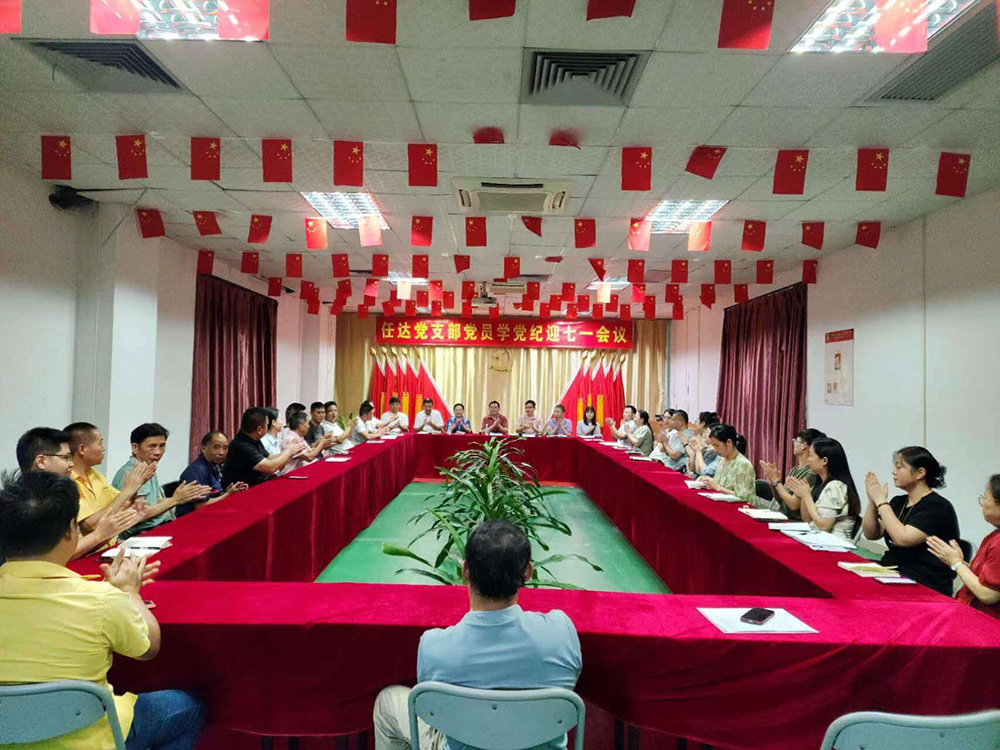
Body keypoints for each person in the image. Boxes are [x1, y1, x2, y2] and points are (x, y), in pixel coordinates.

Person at [0, 471, 205, 750]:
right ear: (70, 531)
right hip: (85, 739)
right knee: (191, 707)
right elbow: (148, 648)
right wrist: (129, 593)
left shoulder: (99, 597)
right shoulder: (100, 599)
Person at [373, 520, 581, 750]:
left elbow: (435, 712)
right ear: (528, 572)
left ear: (465, 571)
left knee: (387, 702)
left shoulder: (433, 647)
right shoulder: (561, 633)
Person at [862, 446, 960, 595]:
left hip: (923, 581)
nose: (893, 472)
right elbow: (871, 534)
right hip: (892, 571)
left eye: (899, 467)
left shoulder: (937, 506)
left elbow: (903, 538)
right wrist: (873, 502)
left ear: (920, 473)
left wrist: (881, 501)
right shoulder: (898, 502)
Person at [63, 423, 154, 558]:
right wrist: (128, 491)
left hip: (111, 546)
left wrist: (135, 489)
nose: (103, 448)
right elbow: (89, 526)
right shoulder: (67, 482)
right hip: (88, 554)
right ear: (82, 449)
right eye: (100, 443)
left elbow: (121, 504)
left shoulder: (95, 475)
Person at [111, 424, 212, 540]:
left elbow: (154, 501)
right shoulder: (133, 472)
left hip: (157, 529)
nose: (158, 452)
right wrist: (176, 500)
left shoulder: (148, 466)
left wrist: (184, 497)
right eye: (152, 446)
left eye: (162, 446)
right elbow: (140, 514)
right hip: (139, 536)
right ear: (135, 448)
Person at [928, 475, 1000, 619]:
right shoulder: (994, 535)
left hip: (984, 622)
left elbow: (988, 595)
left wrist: (956, 563)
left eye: (985, 498)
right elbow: (983, 577)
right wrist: (956, 561)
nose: (982, 503)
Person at [784, 437, 861, 541]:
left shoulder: (835, 487)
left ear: (824, 461)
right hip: (818, 539)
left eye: (811, 455)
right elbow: (807, 519)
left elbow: (824, 526)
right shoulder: (821, 483)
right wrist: (803, 496)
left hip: (833, 543)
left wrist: (807, 497)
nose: (808, 459)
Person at [223, 407, 305, 487]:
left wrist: (287, 452)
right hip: (245, 490)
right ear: (259, 430)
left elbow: (268, 458)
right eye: (266, 425)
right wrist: (288, 452)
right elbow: (270, 468)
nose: (267, 428)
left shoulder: (253, 438)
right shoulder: (242, 445)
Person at [759, 428, 826, 518]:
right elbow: (782, 500)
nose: (793, 443)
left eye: (796, 440)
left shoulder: (812, 473)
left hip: (792, 521)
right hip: (782, 516)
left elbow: (794, 505)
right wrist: (773, 481)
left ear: (804, 445)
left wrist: (776, 481)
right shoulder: (795, 469)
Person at [177, 431, 248, 514]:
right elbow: (200, 507)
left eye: (225, 448)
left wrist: (227, 492)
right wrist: (227, 495)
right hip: (192, 518)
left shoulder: (214, 465)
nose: (222, 452)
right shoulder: (197, 471)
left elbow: (213, 494)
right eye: (216, 447)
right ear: (203, 448)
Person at [700, 424, 755, 502]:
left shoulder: (743, 464)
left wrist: (718, 488)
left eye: (717, 445)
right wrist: (708, 482)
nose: (715, 450)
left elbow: (745, 497)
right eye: (713, 446)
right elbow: (718, 483)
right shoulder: (721, 459)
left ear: (729, 442)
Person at [685, 412, 721, 477]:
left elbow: (701, 471)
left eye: (707, 432)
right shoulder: (702, 444)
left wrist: (697, 451)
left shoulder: (714, 451)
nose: (704, 434)